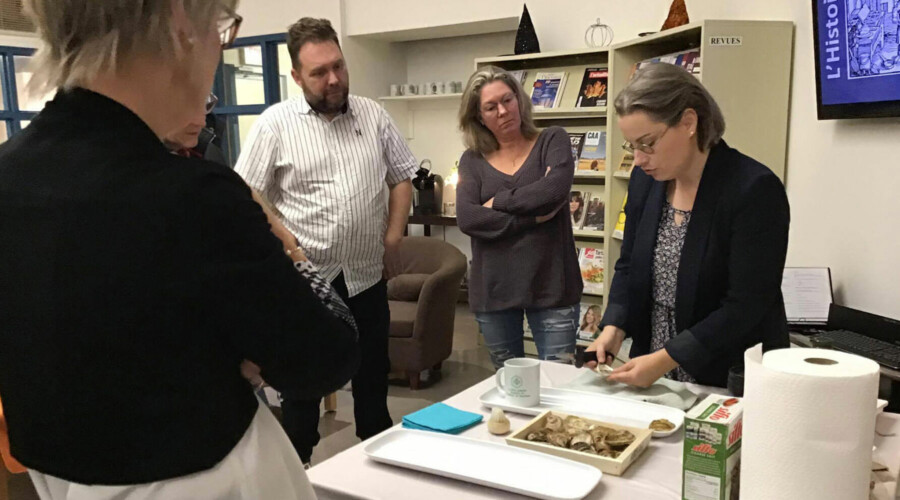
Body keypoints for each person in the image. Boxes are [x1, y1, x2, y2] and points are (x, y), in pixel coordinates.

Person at [0, 2, 360, 498]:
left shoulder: (10, 176)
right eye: (220, 27)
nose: (220, 45)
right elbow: (325, 358)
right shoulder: (189, 195)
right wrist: (290, 248)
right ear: (180, 25)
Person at [234, 17, 417, 465]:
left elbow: (401, 177)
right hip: (307, 284)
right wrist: (282, 241)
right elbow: (245, 195)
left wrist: (393, 236)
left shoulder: (373, 115)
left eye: (338, 65)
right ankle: (299, 472)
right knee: (303, 390)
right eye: (319, 72)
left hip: (365, 276)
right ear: (296, 76)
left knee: (374, 379)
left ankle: (377, 471)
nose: (333, 79)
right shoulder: (275, 124)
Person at [586, 63, 790, 388]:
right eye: (632, 146)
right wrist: (613, 328)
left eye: (647, 143)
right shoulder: (645, 180)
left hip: (726, 374)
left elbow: (746, 304)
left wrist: (668, 357)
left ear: (688, 122)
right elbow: (628, 266)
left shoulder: (753, 189)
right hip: (654, 369)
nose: (638, 159)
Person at [455, 65, 582, 369]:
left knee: (559, 383)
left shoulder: (553, 140)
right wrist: (530, 218)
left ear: (520, 100)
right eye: (490, 106)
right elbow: (468, 218)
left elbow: (553, 192)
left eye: (507, 100)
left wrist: (497, 201)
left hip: (553, 287)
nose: (502, 111)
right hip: (494, 291)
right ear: (479, 116)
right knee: (510, 389)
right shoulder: (472, 161)